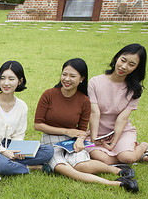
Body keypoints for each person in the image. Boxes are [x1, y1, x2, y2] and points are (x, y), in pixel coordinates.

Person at [34, 58, 138, 192]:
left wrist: (79, 139)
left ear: (81, 79)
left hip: (72, 140)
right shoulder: (48, 95)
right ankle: (116, 184)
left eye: (72, 76)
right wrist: (67, 131)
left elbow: (83, 129)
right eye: (64, 74)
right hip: (50, 139)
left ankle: (116, 170)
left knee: (81, 166)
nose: (66, 79)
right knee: (62, 167)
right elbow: (38, 125)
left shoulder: (84, 100)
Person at [0, 61, 53, 175]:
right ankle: (31, 167)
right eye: (2, 78)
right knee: (3, 165)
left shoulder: (22, 106)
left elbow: (18, 135)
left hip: (12, 147)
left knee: (48, 151)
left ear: (20, 81)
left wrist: (18, 150)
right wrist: (4, 152)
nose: (6, 83)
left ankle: (8, 164)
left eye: (11, 79)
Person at [86, 43, 148, 166]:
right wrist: (94, 138)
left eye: (131, 64)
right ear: (117, 58)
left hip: (121, 131)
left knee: (126, 157)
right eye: (123, 60)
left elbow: (122, 118)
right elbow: (94, 112)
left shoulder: (135, 89)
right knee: (102, 158)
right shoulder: (95, 82)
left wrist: (114, 143)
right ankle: (142, 156)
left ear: (137, 68)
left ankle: (143, 146)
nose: (124, 66)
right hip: (98, 132)